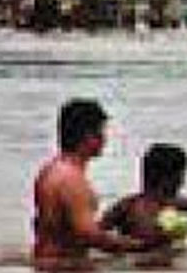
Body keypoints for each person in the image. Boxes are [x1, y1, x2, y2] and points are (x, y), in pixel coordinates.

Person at [30, 99, 153, 268]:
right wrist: (140, 245)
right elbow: (89, 235)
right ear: (88, 136)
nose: (105, 139)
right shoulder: (71, 180)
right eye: (101, 132)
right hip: (64, 266)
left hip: (49, 261)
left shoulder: (51, 170)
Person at [99, 143, 187, 249]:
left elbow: (95, 234)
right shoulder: (172, 203)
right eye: (182, 176)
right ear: (172, 179)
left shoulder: (126, 204)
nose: (182, 182)